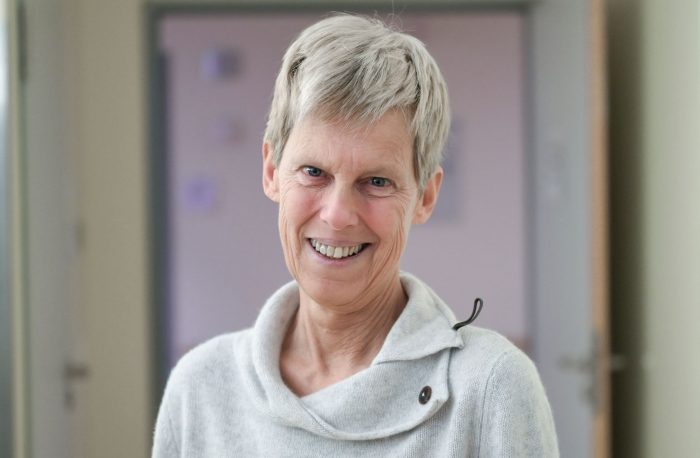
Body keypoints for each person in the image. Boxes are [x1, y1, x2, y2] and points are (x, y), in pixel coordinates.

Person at [153, 14, 558, 457]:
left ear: (425, 196)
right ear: (271, 171)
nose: (338, 215)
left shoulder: (492, 389)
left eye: (377, 182)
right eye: (314, 172)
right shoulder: (199, 389)